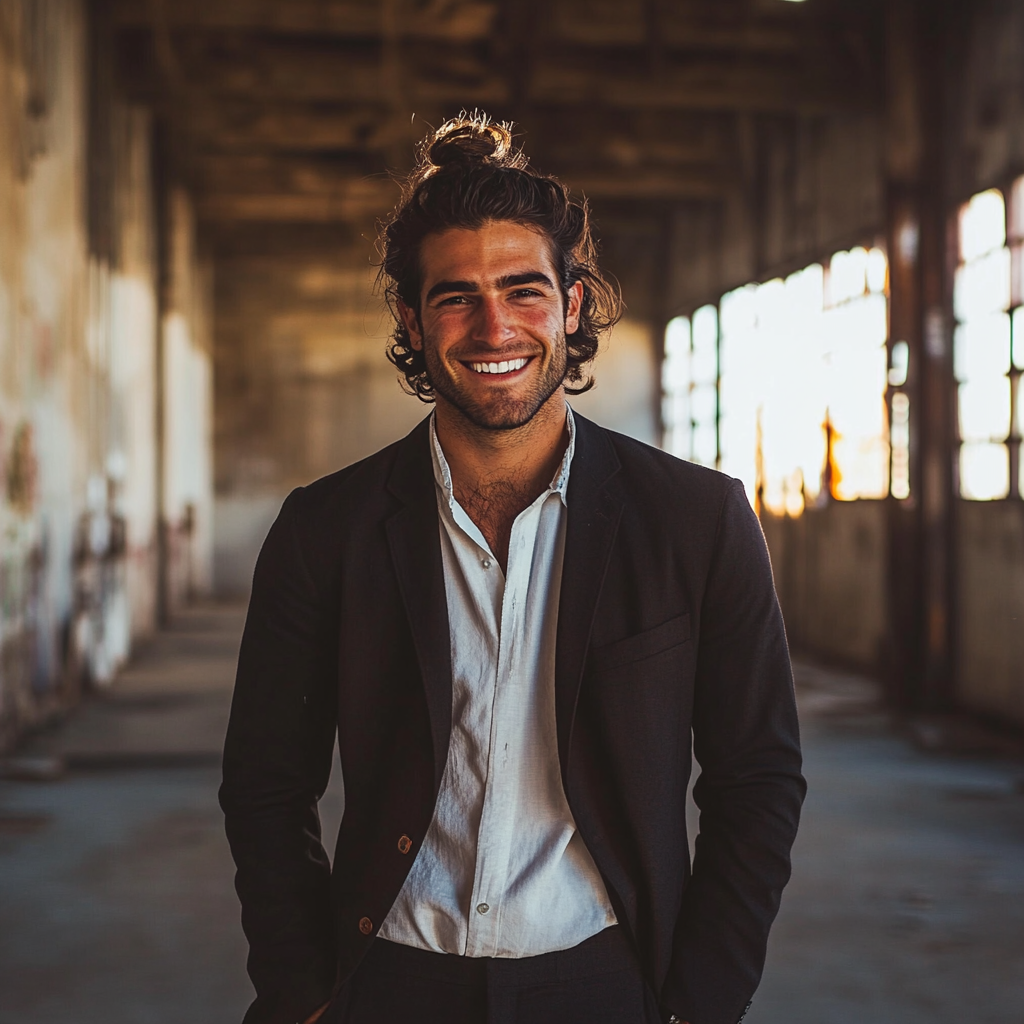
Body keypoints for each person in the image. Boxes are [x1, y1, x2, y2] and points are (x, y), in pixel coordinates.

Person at [220, 113, 805, 1024]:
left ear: (571, 307)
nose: (495, 325)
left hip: (606, 982)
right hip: (387, 982)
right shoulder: (322, 530)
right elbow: (265, 782)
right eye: (456, 297)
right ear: (413, 321)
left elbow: (757, 777)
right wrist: (301, 992)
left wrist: (702, 1002)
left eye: (524, 291)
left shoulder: (699, 520)